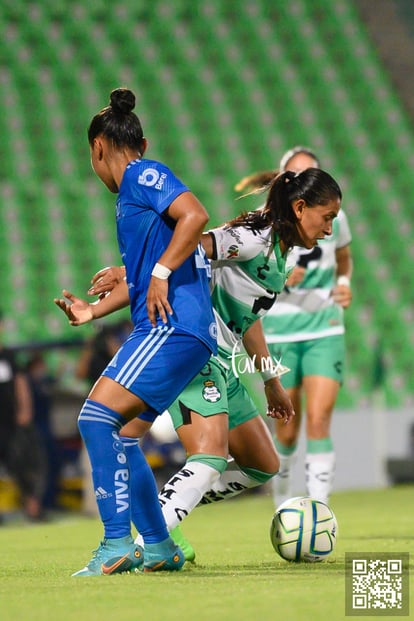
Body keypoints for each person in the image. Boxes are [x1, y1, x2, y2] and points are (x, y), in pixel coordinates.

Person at [87, 166, 343, 560]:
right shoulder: (253, 238)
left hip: (226, 362)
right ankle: (144, 547)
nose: (329, 230)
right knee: (207, 460)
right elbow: (193, 245)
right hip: (196, 353)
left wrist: (270, 379)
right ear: (300, 206)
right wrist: (129, 271)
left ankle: (164, 510)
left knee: (263, 464)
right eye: (326, 217)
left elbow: (249, 317)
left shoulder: (282, 253)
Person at [54, 87, 218, 576]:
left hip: (173, 327)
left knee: (93, 418)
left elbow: (197, 215)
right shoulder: (134, 198)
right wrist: (95, 312)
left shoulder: (144, 175)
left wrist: (164, 272)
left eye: (91, 156)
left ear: (99, 148)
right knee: (123, 435)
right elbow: (144, 277)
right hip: (180, 329)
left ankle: (115, 544)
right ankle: (160, 545)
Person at [241, 146, 352, 507]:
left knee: (320, 419)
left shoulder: (334, 216)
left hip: (325, 329)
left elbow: (343, 257)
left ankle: (319, 510)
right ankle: (284, 508)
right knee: (286, 428)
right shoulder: (263, 222)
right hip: (279, 334)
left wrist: (344, 283)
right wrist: (283, 275)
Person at [0, 312, 46, 523]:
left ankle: (32, 508)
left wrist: (25, 410)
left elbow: (20, 384)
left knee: (25, 465)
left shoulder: (8, 356)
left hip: (11, 424)